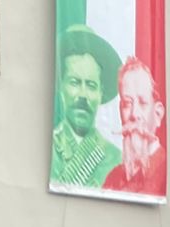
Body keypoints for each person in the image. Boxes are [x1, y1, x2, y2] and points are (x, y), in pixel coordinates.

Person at [51, 24, 123, 189]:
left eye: (90, 85)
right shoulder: (47, 152)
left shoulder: (117, 160)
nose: (82, 95)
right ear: (61, 86)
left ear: (100, 93)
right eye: (75, 82)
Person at [102, 57, 166, 195]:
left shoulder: (167, 170)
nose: (134, 114)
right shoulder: (112, 179)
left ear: (157, 114)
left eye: (142, 103)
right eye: (127, 103)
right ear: (120, 112)